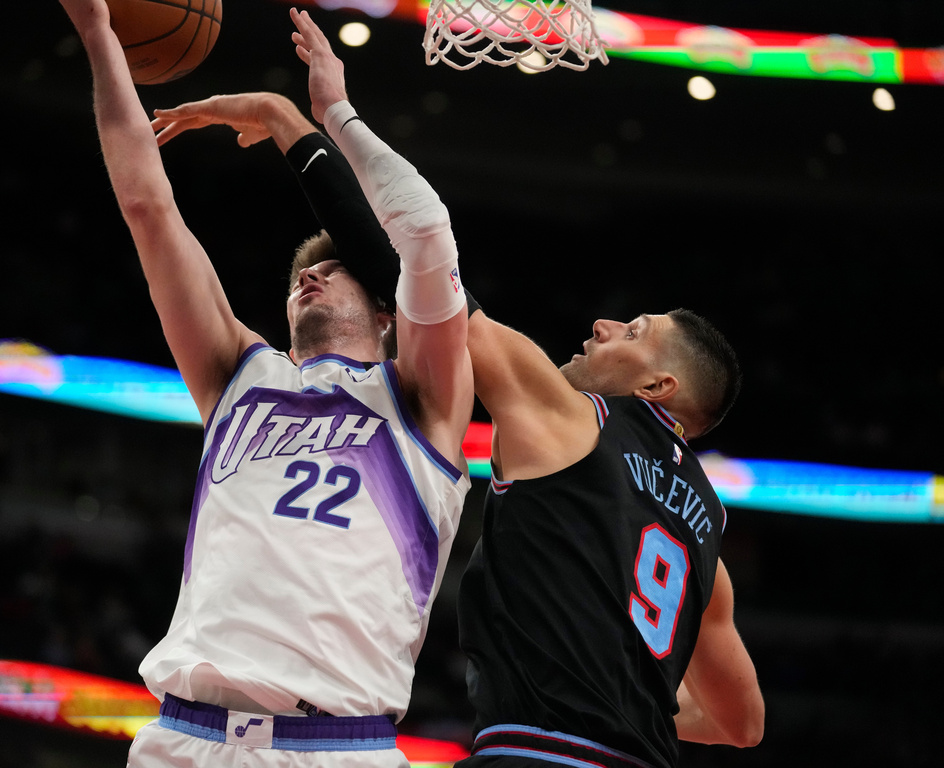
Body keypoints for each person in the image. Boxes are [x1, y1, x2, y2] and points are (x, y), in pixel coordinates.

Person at [155, 8, 764, 768]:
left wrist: (314, 123)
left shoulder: (574, 418)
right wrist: (628, 705)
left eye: (634, 331)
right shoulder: (706, 539)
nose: (606, 325)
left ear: (659, 385)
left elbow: (418, 264)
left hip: (537, 755)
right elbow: (742, 723)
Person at [56, 2, 473, 767]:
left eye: (334, 270)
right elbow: (148, 207)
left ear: (387, 311)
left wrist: (297, 119)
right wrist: (98, 33)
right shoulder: (240, 372)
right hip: (185, 738)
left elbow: (422, 245)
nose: (309, 276)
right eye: (299, 276)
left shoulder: (426, 398)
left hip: (336, 746)